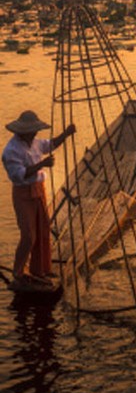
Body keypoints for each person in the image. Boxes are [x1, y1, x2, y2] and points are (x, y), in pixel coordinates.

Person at [2, 109, 76, 292]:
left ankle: (40, 269)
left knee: (43, 230)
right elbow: (18, 175)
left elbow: (50, 144)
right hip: (23, 193)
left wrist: (66, 134)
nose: (35, 133)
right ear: (23, 131)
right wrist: (42, 165)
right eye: (32, 130)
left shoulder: (34, 142)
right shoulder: (11, 150)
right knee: (28, 235)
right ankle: (19, 273)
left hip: (38, 190)